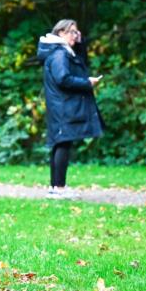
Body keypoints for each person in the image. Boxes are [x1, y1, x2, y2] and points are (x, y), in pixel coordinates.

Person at [36, 19, 104, 198]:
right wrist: (87, 83)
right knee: (63, 144)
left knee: (61, 144)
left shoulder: (62, 51)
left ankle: (55, 187)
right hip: (64, 106)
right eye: (72, 32)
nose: (75, 35)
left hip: (62, 106)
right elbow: (63, 79)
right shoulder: (59, 54)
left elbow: (80, 62)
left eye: (76, 32)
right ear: (61, 33)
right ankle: (59, 189)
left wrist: (80, 42)